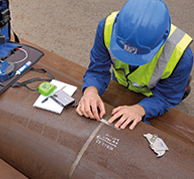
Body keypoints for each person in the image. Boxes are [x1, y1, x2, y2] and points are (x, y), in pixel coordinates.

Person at [76, 0, 193, 130]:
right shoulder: (107, 27)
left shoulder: (181, 56)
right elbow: (97, 69)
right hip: (122, 82)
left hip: (154, 91)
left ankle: (183, 85)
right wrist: (91, 90)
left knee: (175, 92)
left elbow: (165, 98)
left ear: (163, 39)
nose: (130, 61)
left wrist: (141, 109)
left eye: (137, 57)